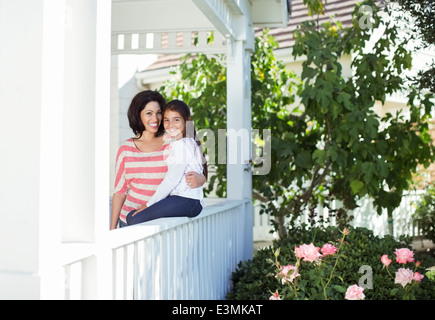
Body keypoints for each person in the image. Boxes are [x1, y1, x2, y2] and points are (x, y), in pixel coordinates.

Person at [110, 91, 206, 230]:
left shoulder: (173, 140)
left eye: (159, 112)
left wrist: (201, 178)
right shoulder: (126, 148)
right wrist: (112, 229)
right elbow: (120, 192)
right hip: (128, 220)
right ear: (138, 115)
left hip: (159, 223)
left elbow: (193, 165)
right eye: (149, 113)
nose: (155, 118)